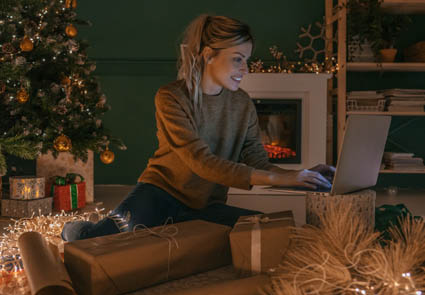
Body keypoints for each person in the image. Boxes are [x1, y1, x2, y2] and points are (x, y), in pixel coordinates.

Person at [61, 14, 335, 242]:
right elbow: (202, 162)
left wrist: (303, 176)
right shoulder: (170, 97)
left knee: (268, 231)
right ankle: (79, 228)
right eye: (238, 58)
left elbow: (258, 162)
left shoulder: (243, 104)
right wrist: (281, 179)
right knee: (98, 243)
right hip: (159, 196)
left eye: (247, 59)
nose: (246, 69)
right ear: (208, 56)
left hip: (207, 206)